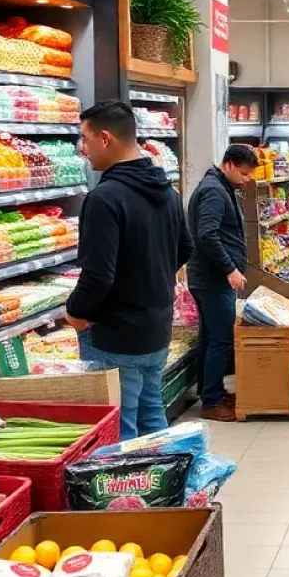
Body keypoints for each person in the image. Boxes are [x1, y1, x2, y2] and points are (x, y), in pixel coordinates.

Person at [64, 100, 192, 440]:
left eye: (85, 139)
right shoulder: (167, 191)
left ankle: (128, 494)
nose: (82, 148)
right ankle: (163, 490)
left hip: (113, 335)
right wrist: (150, 282)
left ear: (105, 138)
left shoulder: (105, 197)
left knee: (119, 431)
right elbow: (185, 248)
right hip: (155, 329)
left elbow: (97, 276)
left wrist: (75, 311)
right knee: (152, 419)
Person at [187, 144, 259, 422]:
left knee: (209, 337)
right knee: (220, 340)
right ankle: (212, 401)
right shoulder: (214, 191)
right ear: (228, 164)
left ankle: (210, 392)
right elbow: (207, 234)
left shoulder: (220, 186)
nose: (246, 179)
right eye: (243, 173)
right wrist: (230, 268)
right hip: (213, 278)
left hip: (208, 277)